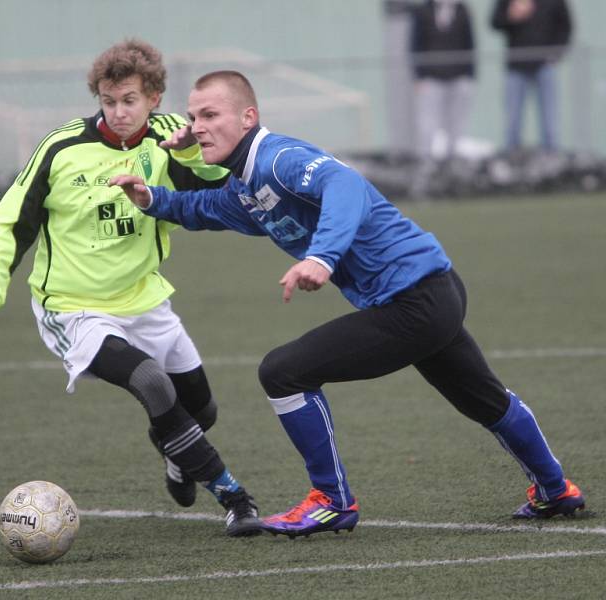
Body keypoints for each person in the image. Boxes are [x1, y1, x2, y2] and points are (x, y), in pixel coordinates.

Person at [110, 70, 585, 538]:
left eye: (211, 114)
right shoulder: (247, 184)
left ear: (248, 117)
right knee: (485, 400)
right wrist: (151, 197)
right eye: (193, 117)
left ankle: (331, 503)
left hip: (415, 300)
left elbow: (346, 185)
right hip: (432, 293)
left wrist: (323, 256)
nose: (197, 126)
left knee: (282, 371)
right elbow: (207, 208)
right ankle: (555, 489)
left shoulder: (278, 159)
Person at [0, 41, 261, 537]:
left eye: (129, 100)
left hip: (144, 298)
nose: (118, 112)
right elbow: (8, 222)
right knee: (151, 383)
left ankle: (175, 454)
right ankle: (234, 497)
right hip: (73, 308)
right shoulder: (61, 148)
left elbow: (213, 185)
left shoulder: (172, 137)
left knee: (201, 408)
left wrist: (190, 152)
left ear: (155, 98)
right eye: (108, 101)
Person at [490, 0, 573, 152]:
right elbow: (495, 22)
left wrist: (555, 54)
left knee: (550, 120)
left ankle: (551, 156)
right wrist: (511, 16)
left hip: (544, 66)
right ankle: (511, 156)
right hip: (516, 65)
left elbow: (565, 26)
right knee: (512, 120)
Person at [410, 0, 476, 162]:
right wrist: (419, 76)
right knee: (427, 125)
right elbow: (415, 44)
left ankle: (451, 162)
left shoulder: (462, 10)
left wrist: (469, 75)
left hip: (458, 76)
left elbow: (470, 43)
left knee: (455, 124)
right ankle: (426, 162)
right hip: (431, 78)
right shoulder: (423, 11)